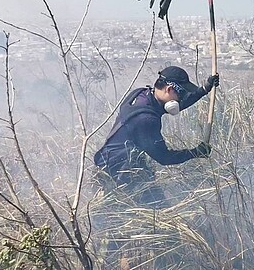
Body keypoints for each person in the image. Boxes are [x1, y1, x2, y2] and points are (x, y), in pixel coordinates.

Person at [93, 66, 219, 199]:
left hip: (110, 164)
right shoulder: (146, 120)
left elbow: (175, 105)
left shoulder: (140, 94)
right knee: (154, 208)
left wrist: (204, 89)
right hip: (120, 176)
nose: (181, 100)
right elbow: (164, 157)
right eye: (181, 95)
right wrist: (196, 152)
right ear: (169, 89)